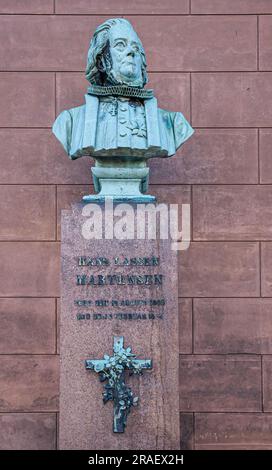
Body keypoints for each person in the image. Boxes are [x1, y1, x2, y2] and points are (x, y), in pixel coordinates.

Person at [52, 18, 194, 161]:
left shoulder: (172, 122)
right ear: (102, 61)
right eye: (120, 45)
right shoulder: (71, 120)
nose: (131, 51)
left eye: (135, 47)